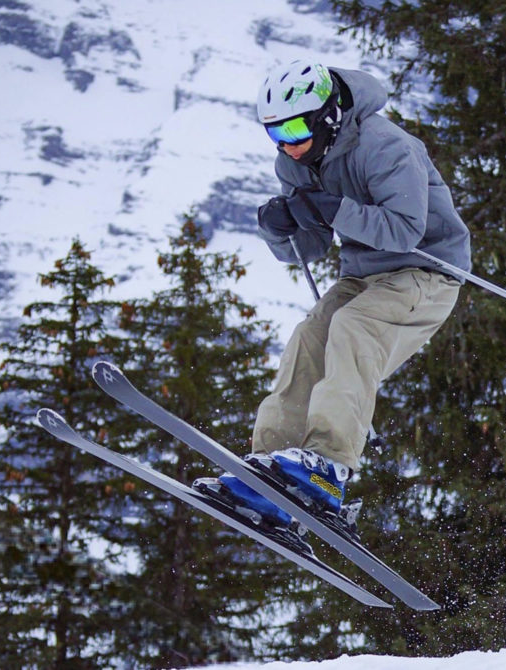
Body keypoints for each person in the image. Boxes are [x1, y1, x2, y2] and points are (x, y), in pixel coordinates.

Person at [194, 60, 471, 532]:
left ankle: (327, 468)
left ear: (327, 116)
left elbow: (405, 231)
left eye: (297, 128)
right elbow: (312, 248)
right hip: (362, 275)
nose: (287, 144)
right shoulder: (294, 160)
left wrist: (335, 208)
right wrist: (279, 230)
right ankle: (272, 470)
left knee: (352, 328)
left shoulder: (386, 147)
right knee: (308, 338)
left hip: (425, 273)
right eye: (274, 134)